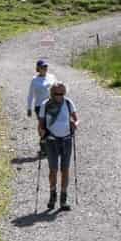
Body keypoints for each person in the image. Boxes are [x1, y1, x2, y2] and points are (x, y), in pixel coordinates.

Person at [38, 81, 78, 211]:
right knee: (53, 170)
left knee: (65, 169)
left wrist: (75, 124)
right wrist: (41, 133)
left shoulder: (68, 103)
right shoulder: (45, 105)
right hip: (51, 140)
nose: (60, 96)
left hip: (66, 140)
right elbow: (41, 124)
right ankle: (52, 196)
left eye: (62, 93)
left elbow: (76, 118)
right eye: (57, 94)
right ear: (52, 93)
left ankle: (63, 199)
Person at [26, 59, 56, 157]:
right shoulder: (34, 80)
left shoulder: (52, 77)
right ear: (38, 68)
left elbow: (57, 87)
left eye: (46, 67)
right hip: (39, 106)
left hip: (51, 105)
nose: (45, 69)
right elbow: (30, 95)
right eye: (43, 67)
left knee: (51, 125)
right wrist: (29, 108)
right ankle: (43, 148)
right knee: (43, 126)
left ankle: (51, 147)